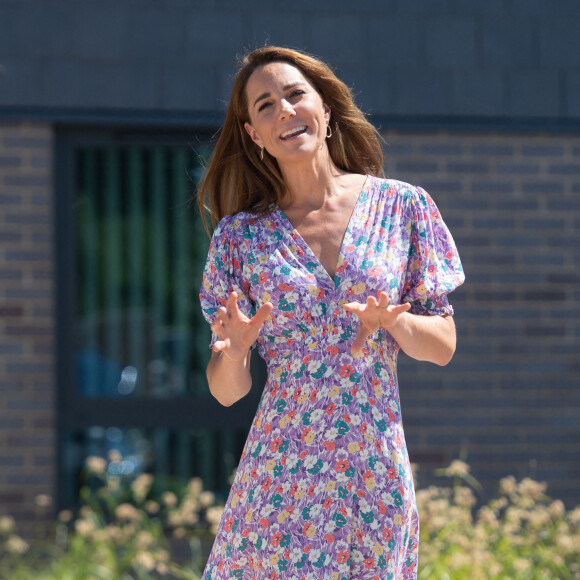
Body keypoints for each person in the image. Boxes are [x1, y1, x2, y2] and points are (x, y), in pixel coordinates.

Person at [198, 46, 464, 580]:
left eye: (296, 95)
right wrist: (239, 351)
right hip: (278, 479)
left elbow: (442, 346)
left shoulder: (404, 207)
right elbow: (227, 390)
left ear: (324, 108)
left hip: (371, 474)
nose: (285, 112)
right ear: (253, 133)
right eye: (265, 105)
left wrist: (394, 321)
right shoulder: (239, 239)